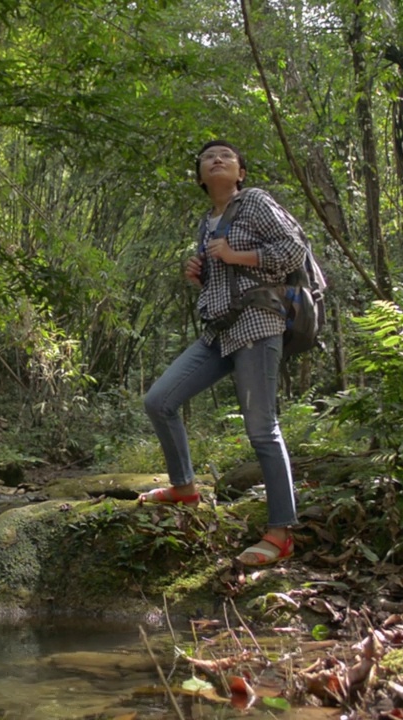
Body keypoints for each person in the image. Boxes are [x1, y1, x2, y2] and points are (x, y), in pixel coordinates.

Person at [139, 139, 307, 567]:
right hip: (218, 332)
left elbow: (293, 249)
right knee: (160, 401)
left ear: (241, 173)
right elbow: (220, 279)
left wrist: (236, 254)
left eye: (227, 157)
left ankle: (281, 532)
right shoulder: (205, 222)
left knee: (262, 430)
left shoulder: (254, 202)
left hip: (257, 326)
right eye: (208, 158)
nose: (217, 159)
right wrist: (199, 273)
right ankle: (184, 488)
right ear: (200, 176)